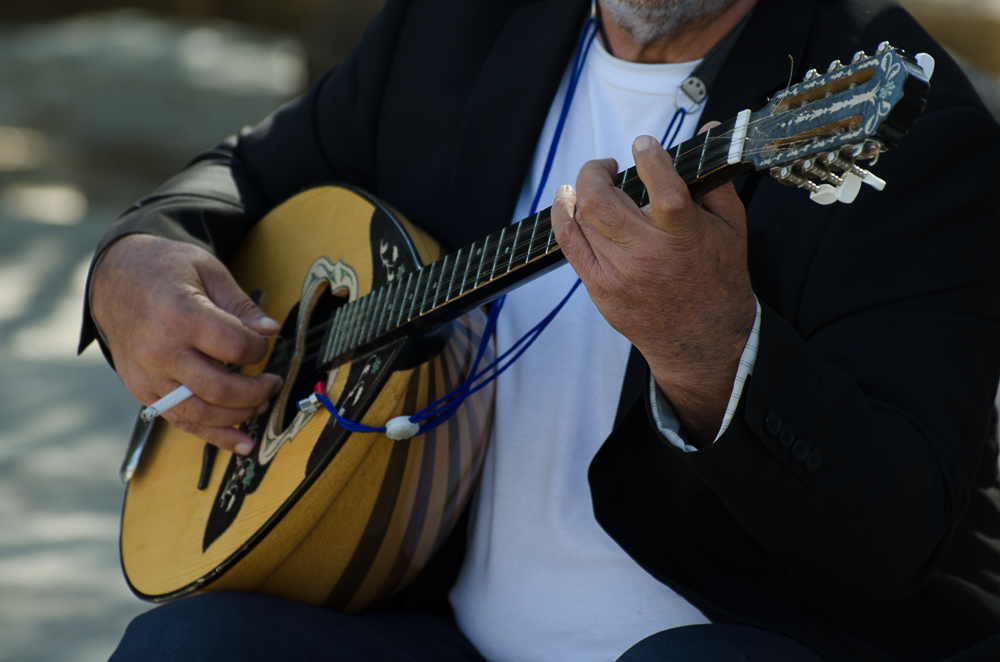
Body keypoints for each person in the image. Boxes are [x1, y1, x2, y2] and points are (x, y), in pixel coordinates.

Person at [82, 0, 1000, 660]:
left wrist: (715, 349)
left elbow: (896, 531)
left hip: (739, 637)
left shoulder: (899, 115)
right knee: (190, 643)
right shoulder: (460, 26)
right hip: (441, 627)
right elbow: (245, 172)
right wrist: (133, 260)